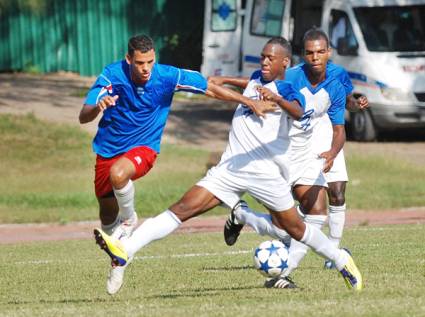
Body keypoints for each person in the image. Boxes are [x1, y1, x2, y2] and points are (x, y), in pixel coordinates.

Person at [93, 37, 363, 294]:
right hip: (230, 169)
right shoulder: (257, 79)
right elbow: (239, 85)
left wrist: (276, 100)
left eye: (271, 58)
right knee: (181, 209)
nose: (265, 62)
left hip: (264, 172)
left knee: (295, 228)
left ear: (285, 63)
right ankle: (125, 252)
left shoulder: (288, 89)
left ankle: (340, 260)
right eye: (262, 57)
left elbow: (298, 110)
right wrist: (234, 88)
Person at [79, 34, 276, 295]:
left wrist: (249, 101)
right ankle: (118, 261)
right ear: (128, 59)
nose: (146, 68)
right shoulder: (111, 75)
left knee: (119, 174)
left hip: (144, 148)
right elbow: (84, 116)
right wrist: (98, 107)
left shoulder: (168, 76)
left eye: (150, 61)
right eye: (140, 63)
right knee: (106, 217)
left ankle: (129, 221)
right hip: (107, 150)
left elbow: (209, 88)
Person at [222, 28, 367, 285]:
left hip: (313, 148)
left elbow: (341, 119)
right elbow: (257, 82)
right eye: (309, 52)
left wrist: (333, 152)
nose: (315, 57)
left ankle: (285, 273)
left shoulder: (336, 80)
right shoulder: (291, 75)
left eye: (320, 52)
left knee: (319, 211)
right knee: (284, 226)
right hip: (281, 151)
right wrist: (223, 80)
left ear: (329, 53)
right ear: (302, 55)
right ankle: (241, 215)